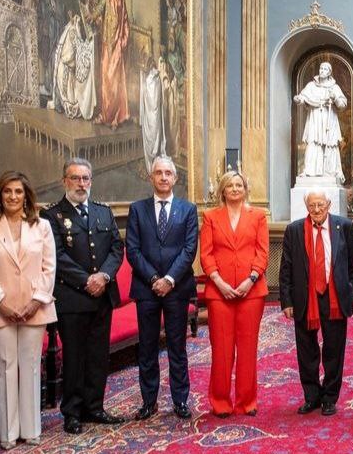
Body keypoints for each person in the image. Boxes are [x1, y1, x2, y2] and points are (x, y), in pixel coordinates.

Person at [42, 158, 125, 434]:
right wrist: (86, 280)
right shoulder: (52, 216)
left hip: (102, 296)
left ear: (91, 180)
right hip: (73, 298)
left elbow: (116, 248)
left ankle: (95, 407)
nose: (81, 184)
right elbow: (56, 255)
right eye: (75, 178)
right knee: (75, 356)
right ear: (64, 180)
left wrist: (103, 276)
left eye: (85, 178)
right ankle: (73, 412)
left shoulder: (103, 212)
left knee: (98, 355)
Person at [0, 172, 56, 449]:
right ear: (0, 195)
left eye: (18, 192)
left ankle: (31, 429)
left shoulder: (42, 226)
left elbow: (49, 267)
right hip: (0, 309)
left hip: (35, 308)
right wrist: (2, 302)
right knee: (5, 367)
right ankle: (8, 433)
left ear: (26, 196)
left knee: (31, 367)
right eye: (7, 191)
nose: (12, 196)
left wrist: (36, 301)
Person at [125, 156, 198, 421]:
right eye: (159, 173)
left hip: (176, 289)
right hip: (146, 290)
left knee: (177, 347)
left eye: (168, 173)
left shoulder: (188, 210)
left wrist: (168, 280)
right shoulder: (137, 209)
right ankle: (149, 401)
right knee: (147, 347)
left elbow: (189, 250)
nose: (164, 177)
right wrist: (155, 278)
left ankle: (180, 400)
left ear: (175, 178)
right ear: (151, 177)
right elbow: (132, 250)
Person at [279, 191, 353, 417]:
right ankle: (312, 396)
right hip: (305, 299)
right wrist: (287, 301)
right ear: (306, 206)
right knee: (307, 350)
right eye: (312, 205)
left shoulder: (344, 226)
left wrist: (350, 292)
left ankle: (330, 398)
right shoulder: (294, 230)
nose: (316, 209)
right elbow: (286, 268)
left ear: (328, 204)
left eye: (320, 205)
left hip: (334, 298)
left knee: (334, 349)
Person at [199, 171, 269, 417]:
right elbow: (206, 254)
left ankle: (247, 402)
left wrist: (250, 280)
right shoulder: (210, 216)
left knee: (248, 347)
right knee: (222, 348)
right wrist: (219, 282)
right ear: (223, 190)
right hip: (220, 293)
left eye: (239, 184)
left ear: (245, 188)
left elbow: (262, 252)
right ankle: (220, 402)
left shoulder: (258, 216)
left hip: (251, 292)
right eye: (230, 185)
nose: (235, 188)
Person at [294, 62, 347, 183]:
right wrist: (299, 99)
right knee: (313, 142)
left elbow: (343, 104)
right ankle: (310, 171)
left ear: (329, 72)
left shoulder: (334, 87)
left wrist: (335, 98)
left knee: (330, 144)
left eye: (325, 69)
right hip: (315, 118)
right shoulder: (311, 85)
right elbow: (303, 96)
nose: (322, 70)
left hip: (329, 118)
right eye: (321, 68)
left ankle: (331, 171)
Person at [97, 0, 129, 128]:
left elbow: (122, 16)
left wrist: (120, 39)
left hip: (115, 40)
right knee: (105, 78)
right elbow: (102, 6)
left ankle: (115, 117)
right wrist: (92, 15)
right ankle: (105, 115)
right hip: (106, 39)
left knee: (114, 78)